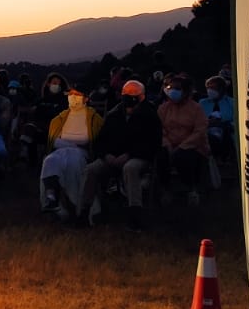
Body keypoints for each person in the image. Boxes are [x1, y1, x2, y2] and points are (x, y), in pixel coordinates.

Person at [82, 79, 162, 230]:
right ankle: (84, 212)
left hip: (138, 157)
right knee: (91, 170)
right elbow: (101, 140)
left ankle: (134, 216)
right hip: (112, 157)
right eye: (127, 94)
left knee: (130, 168)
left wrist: (129, 154)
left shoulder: (149, 115)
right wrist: (106, 155)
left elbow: (152, 142)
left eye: (133, 94)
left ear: (141, 97)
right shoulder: (114, 115)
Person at [39, 85, 102, 219]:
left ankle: (76, 205)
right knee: (50, 160)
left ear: (85, 99)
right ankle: (52, 198)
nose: (73, 99)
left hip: (80, 152)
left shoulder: (94, 118)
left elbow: (94, 140)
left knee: (73, 163)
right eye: (70, 96)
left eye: (76, 96)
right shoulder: (60, 118)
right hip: (60, 150)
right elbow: (53, 139)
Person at [157, 73, 210, 205]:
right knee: (161, 156)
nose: (173, 91)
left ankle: (191, 189)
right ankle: (166, 189)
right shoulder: (163, 108)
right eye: (171, 88)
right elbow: (159, 129)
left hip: (192, 146)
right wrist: (167, 144)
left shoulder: (196, 108)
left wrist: (183, 146)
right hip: (169, 144)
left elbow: (199, 130)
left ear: (185, 91)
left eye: (178, 88)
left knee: (183, 157)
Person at [200, 75, 237, 166]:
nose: (210, 90)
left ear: (221, 89)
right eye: (208, 87)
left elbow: (237, 121)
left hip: (227, 133)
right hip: (206, 132)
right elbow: (197, 120)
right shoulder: (202, 103)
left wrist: (224, 124)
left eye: (213, 87)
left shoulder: (232, 102)